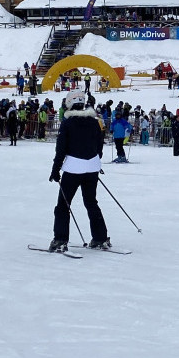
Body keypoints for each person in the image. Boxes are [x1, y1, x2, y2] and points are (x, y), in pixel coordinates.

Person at [48, 91, 109, 252]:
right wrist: (95, 159)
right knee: (91, 202)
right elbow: (99, 144)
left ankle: (60, 240)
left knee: (63, 205)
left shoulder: (68, 122)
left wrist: (55, 169)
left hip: (73, 168)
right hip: (92, 166)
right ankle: (100, 238)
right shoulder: (94, 121)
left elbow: (60, 149)